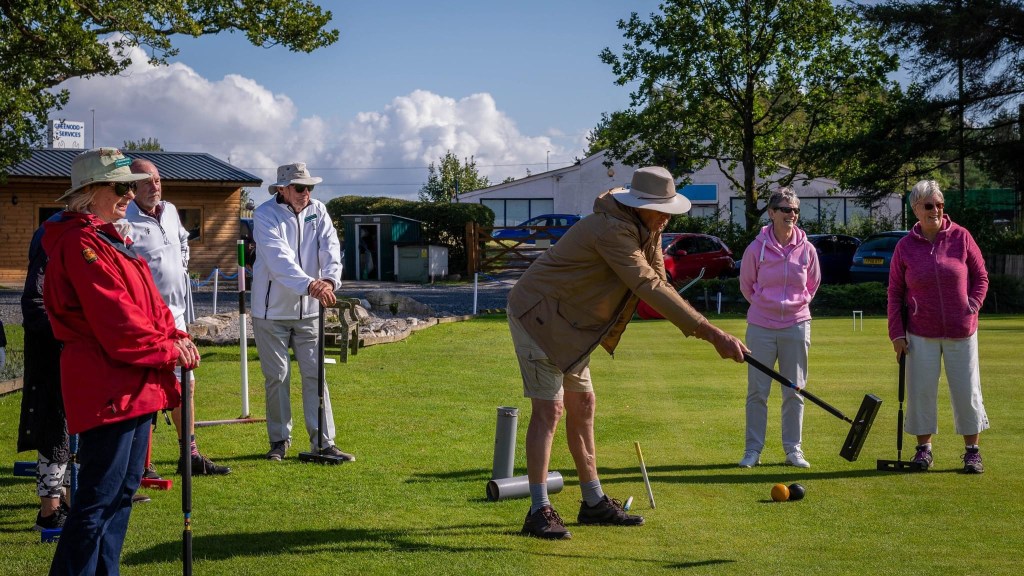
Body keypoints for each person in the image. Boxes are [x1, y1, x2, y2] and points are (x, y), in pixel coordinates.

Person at [507, 166, 748, 540]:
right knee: (550, 409)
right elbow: (646, 284)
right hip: (537, 314)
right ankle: (539, 509)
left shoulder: (648, 228)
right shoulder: (612, 230)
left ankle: (593, 502)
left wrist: (702, 328)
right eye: (661, 209)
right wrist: (711, 333)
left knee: (584, 404)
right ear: (638, 205)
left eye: (669, 210)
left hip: (572, 324)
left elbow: (660, 282)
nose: (667, 217)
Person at [42, 147, 200, 575]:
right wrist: (169, 349)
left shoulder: (110, 239)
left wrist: (176, 334)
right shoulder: (81, 243)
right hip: (107, 387)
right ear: (89, 192)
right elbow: (118, 321)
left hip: (134, 385)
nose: (129, 194)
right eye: (120, 186)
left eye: (130, 186)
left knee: (122, 493)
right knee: (98, 499)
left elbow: (150, 305)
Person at [126, 158, 230, 476]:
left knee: (187, 384)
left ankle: (190, 455)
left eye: (157, 179)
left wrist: (183, 263)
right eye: (146, 181)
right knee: (146, 389)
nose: (154, 186)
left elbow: (183, 239)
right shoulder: (125, 219)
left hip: (177, 315)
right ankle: (141, 463)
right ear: (131, 186)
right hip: (145, 319)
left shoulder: (169, 210)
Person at [252, 162, 352, 462]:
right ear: (283, 189)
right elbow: (278, 259)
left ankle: (324, 442)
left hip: (310, 310)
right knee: (277, 377)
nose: (305, 192)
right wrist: (311, 285)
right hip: (270, 312)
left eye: (309, 187)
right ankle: (279, 440)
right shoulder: (264, 214)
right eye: (299, 187)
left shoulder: (318, 211)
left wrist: (330, 280)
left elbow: (330, 247)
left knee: (316, 375)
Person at [887, 180, 989, 473]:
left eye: (940, 205)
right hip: (920, 332)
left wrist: (972, 304)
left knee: (967, 391)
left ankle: (972, 452)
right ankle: (924, 450)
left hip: (962, 331)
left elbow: (981, 276)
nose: (936, 211)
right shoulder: (905, 247)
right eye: (929, 205)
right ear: (916, 209)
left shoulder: (961, 237)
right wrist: (897, 334)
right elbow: (894, 293)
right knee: (921, 392)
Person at [737, 188, 821, 469]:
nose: (791, 214)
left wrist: (796, 306)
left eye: (795, 209)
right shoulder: (755, 248)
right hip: (761, 326)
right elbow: (747, 286)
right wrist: (766, 306)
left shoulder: (807, 249)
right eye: (785, 209)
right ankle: (753, 450)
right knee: (757, 392)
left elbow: (812, 285)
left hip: (796, 325)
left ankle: (793, 450)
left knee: (794, 391)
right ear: (772, 213)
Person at [18, 214, 72, 531]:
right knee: (55, 425)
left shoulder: (83, 230)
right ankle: (49, 512)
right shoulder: (53, 234)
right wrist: (63, 332)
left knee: (71, 428)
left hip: (70, 343)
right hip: (51, 345)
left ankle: (68, 500)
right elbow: (34, 299)